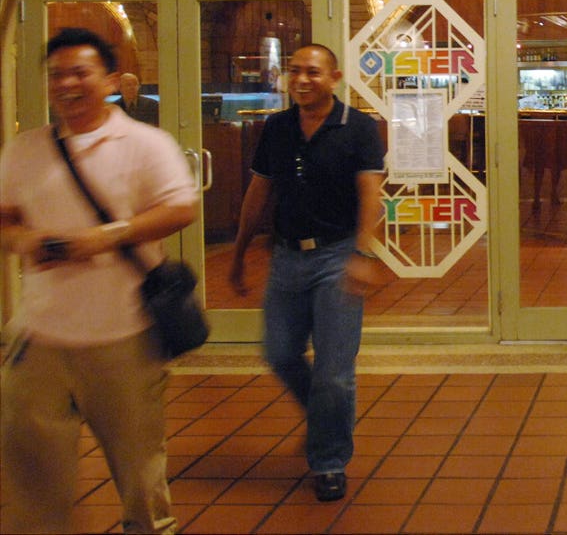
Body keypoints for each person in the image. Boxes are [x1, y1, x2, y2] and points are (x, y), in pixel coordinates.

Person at [0, 28, 198, 534]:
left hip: (124, 339)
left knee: (139, 476)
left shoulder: (145, 143)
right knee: (32, 480)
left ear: (109, 79)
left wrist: (107, 237)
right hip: (39, 339)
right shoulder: (26, 149)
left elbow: (181, 207)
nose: (67, 83)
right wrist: (24, 239)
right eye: (57, 74)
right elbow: (5, 219)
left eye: (79, 72)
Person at [229, 44, 385, 502]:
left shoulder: (358, 128)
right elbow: (259, 191)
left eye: (312, 72)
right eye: (294, 71)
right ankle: (324, 420)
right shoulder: (277, 128)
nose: (301, 79)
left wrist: (362, 253)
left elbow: (369, 196)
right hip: (286, 259)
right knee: (279, 354)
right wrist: (238, 254)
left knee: (335, 373)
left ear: (333, 77)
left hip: (336, 257)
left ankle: (330, 461)